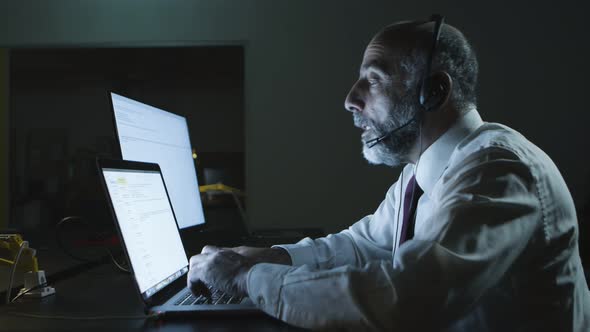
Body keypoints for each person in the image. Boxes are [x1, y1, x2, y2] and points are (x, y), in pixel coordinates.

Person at [187, 17, 590, 331]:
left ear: (433, 91)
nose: (350, 100)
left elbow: (406, 297)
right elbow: (363, 245)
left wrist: (247, 278)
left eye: (373, 79)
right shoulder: (421, 175)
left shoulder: (496, 170)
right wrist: (273, 256)